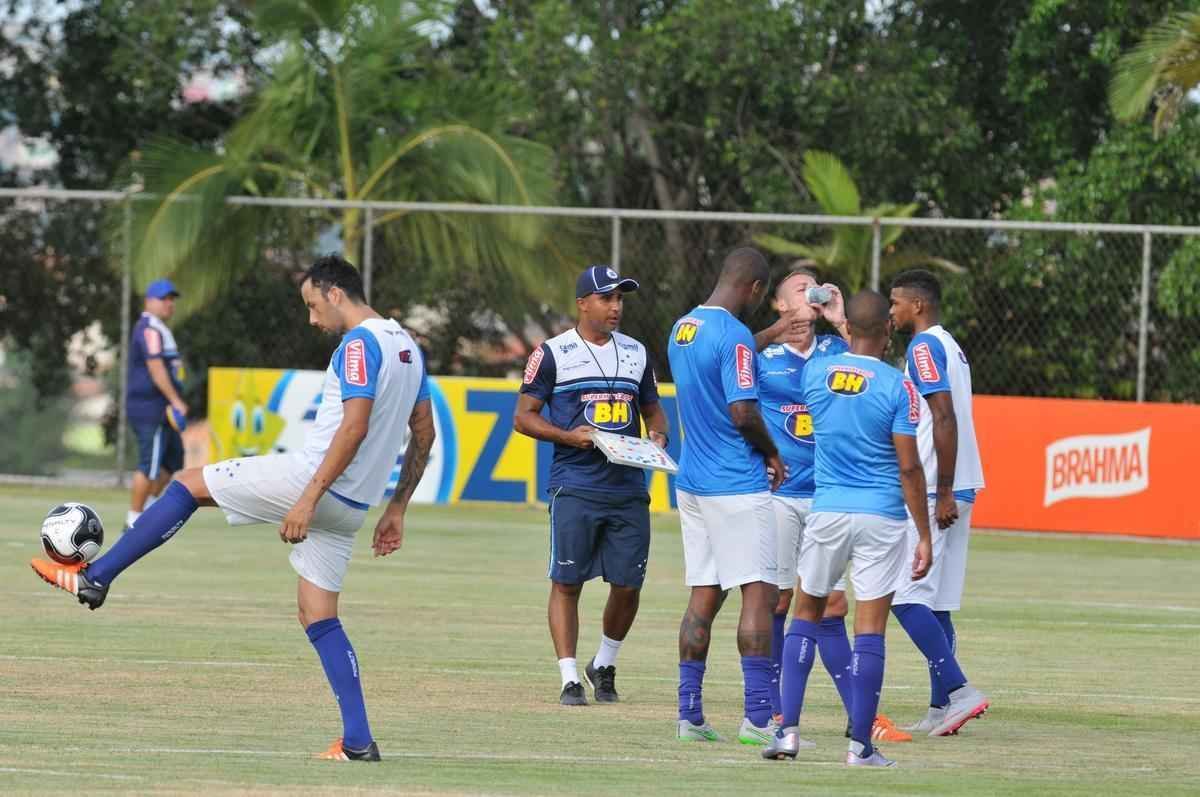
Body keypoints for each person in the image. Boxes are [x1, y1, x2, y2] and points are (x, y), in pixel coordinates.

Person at [32, 255, 435, 763]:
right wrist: (397, 507)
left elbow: (352, 428)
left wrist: (307, 499)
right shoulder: (408, 349)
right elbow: (425, 432)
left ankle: (96, 576)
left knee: (185, 484)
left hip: (315, 485)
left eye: (313, 306)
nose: (312, 320)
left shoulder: (360, 344)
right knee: (318, 616)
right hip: (356, 504)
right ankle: (358, 741)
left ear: (336, 293)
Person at [763, 289, 932, 768]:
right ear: (889, 331)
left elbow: (854, 351)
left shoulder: (815, 374)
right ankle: (860, 746)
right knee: (870, 628)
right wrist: (923, 534)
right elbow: (910, 468)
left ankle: (788, 733)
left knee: (805, 612)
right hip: (881, 515)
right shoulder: (900, 387)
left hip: (828, 509)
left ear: (851, 330)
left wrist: (845, 325)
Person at [514, 265, 668, 706]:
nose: (616, 306)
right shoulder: (553, 353)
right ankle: (568, 677)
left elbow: (654, 410)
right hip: (575, 483)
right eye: (606, 298)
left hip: (628, 486)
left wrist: (657, 437)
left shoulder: (637, 352)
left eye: (621, 298)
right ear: (583, 303)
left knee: (628, 584)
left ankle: (604, 661)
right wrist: (570, 436)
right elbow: (523, 417)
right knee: (567, 581)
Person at [667, 246, 786, 745]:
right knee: (759, 594)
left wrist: (772, 334)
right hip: (736, 481)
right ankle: (759, 718)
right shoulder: (735, 336)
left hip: (692, 481)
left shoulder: (682, 328)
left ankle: (689, 716)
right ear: (755, 289)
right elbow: (742, 411)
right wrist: (773, 454)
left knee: (703, 595)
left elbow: (722, 365)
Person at [887, 269, 989, 736]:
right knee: (937, 603)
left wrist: (942, 489)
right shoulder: (951, 345)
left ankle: (961, 690)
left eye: (896, 303)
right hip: (961, 483)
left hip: (935, 489)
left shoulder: (924, 346)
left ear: (918, 306)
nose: (892, 311)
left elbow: (942, 414)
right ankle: (940, 706)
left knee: (905, 597)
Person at [124, 278, 188, 533]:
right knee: (148, 465)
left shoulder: (159, 328)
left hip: (163, 411)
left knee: (172, 462)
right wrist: (175, 401)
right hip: (151, 409)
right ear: (149, 301)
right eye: (164, 299)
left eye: (172, 299)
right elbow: (156, 367)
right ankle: (133, 520)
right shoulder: (149, 328)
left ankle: (148, 511)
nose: (169, 304)